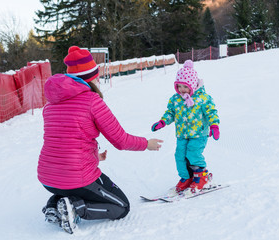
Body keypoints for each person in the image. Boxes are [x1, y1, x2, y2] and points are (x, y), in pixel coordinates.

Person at [38, 46, 163, 234]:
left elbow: (65, 142)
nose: (99, 79)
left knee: (67, 184)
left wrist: (94, 156)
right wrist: (147, 144)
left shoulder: (51, 104)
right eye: (96, 76)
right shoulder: (92, 101)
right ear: (90, 78)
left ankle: (53, 206)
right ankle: (76, 208)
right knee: (122, 206)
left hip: (47, 178)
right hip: (76, 177)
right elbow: (120, 140)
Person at [151, 60, 220, 197]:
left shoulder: (203, 98)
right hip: (182, 134)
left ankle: (202, 177)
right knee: (180, 156)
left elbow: (211, 113)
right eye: (179, 86)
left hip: (199, 134)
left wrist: (214, 126)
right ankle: (187, 178)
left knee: (193, 154)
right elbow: (170, 113)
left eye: (185, 86)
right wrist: (163, 122)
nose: (182, 89)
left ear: (193, 84)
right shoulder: (176, 99)